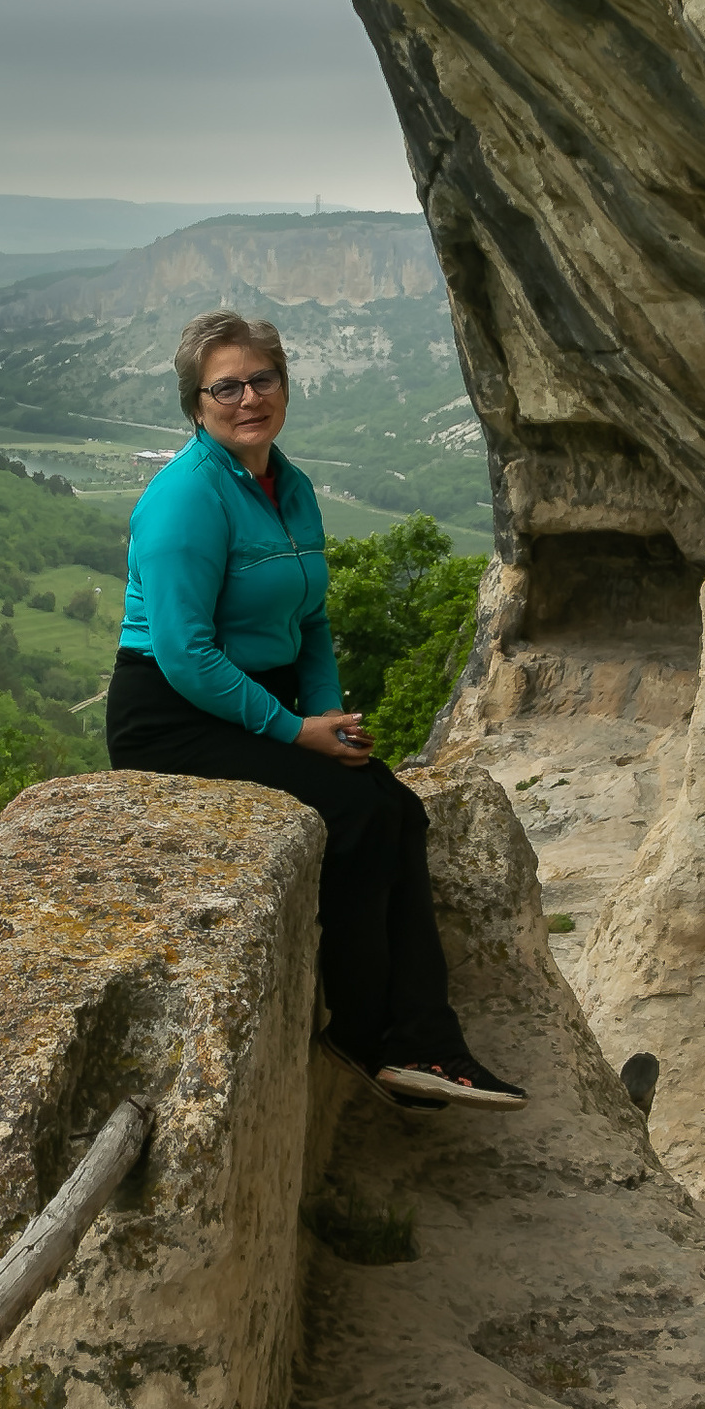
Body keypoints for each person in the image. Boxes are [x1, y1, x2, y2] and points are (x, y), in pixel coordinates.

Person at [104, 308, 524, 1109]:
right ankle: (374, 1039)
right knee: (356, 819)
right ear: (196, 404)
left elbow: (312, 620)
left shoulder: (286, 485)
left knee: (393, 806)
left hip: (253, 702)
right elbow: (187, 655)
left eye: (262, 379)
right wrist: (297, 730)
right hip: (173, 716)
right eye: (224, 386)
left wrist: (335, 724)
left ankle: (429, 1044)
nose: (247, 397)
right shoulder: (185, 499)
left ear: (285, 386)